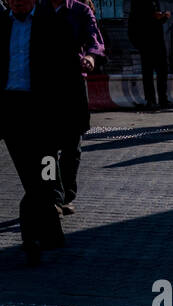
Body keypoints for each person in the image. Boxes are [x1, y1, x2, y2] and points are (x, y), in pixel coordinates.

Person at [1, 0, 80, 265]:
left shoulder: (54, 24)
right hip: (12, 112)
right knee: (30, 175)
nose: (16, 4)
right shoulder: (2, 25)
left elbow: (69, 74)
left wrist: (72, 118)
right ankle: (44, 236)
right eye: (11, 0)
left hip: (43, 115)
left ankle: (35, 236)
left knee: (45, 174)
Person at [48, 0, 104, 215]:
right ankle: (51, 194)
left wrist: (90, 56)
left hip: (73, 85)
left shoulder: (81, 10)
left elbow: (95, 39)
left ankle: (66, 195)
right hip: (44, 85)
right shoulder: (39, 9)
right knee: (47, 148)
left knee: (72, 147)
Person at [128, 0, 173, 108]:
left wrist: (164, 17)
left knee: (162, 70)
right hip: (146, 41)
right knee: (148, 72)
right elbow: (136, 20)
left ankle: (163, 99)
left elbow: (157, 20)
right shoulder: (137, 3)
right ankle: (150, 100)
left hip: (158, 40)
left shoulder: (155, 1)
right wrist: (153, 16)